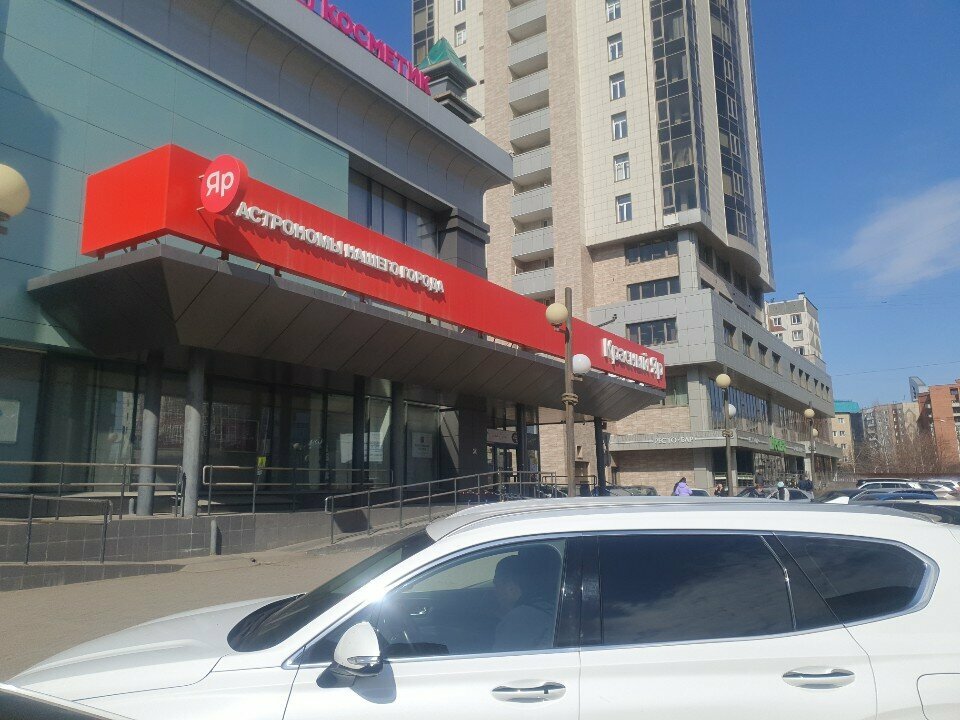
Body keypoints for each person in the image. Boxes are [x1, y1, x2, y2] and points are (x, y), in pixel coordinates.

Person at [492, 552, 558, 652]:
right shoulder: (550, 606)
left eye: (496, 584)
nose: (495, 591)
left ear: (511, 587)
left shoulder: (519, 620)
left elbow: (499, 660)